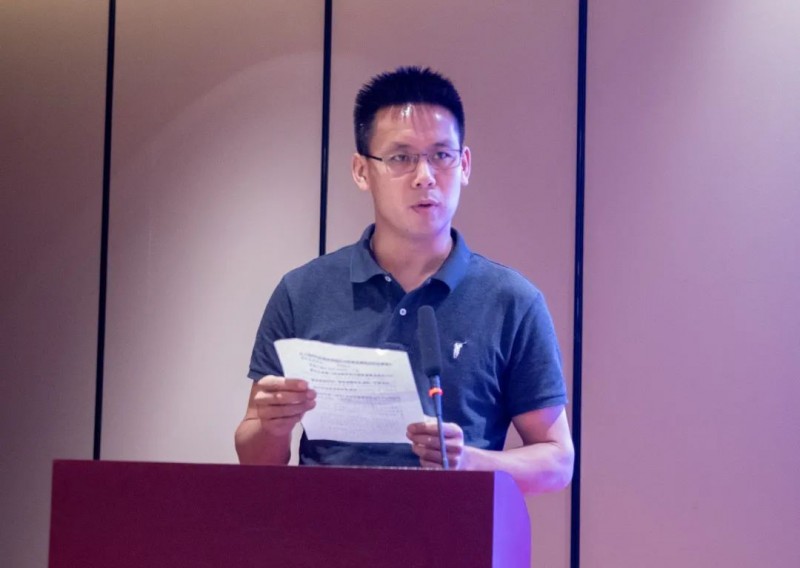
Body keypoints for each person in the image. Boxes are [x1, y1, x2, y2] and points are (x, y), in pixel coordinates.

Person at [235, 66, 574, 495]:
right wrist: (271, 425)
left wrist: (470, 462)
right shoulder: (302, 292)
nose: (424, 176)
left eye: (441, 155)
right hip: (321, 528)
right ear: (362, 170)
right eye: (401, 158)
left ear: (465, 164)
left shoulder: (512, 301)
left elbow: (558, 461)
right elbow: (255, 458)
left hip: (455, 531)